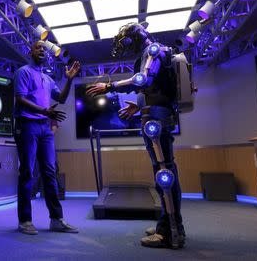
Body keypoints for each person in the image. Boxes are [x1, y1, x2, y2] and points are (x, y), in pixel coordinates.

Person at [86, 22, 185, 249]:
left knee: (164, 175)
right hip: (154, 115)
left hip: (157, 119)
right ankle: (166, 225)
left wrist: (109, 86)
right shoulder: (152, 52)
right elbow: (153, 89)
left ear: (133, 38)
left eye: (125, 42)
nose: (124, 47)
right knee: (163, 173)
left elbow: (143, 80)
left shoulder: (153, 50)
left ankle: (172, 233)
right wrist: (138, 106)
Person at [14, 40, 80, 235]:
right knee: (27, 172)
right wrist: (44, 111)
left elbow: (61, 99)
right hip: (27, 125)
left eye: (44, 48)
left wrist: (68, 79)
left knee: (50, 172)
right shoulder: (23, 72)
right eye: (38, 47)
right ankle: (25, 220)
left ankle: (56, 219)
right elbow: (20, 99)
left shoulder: (48, 78)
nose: (42, 50)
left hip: (44, 127)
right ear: (30, 51)